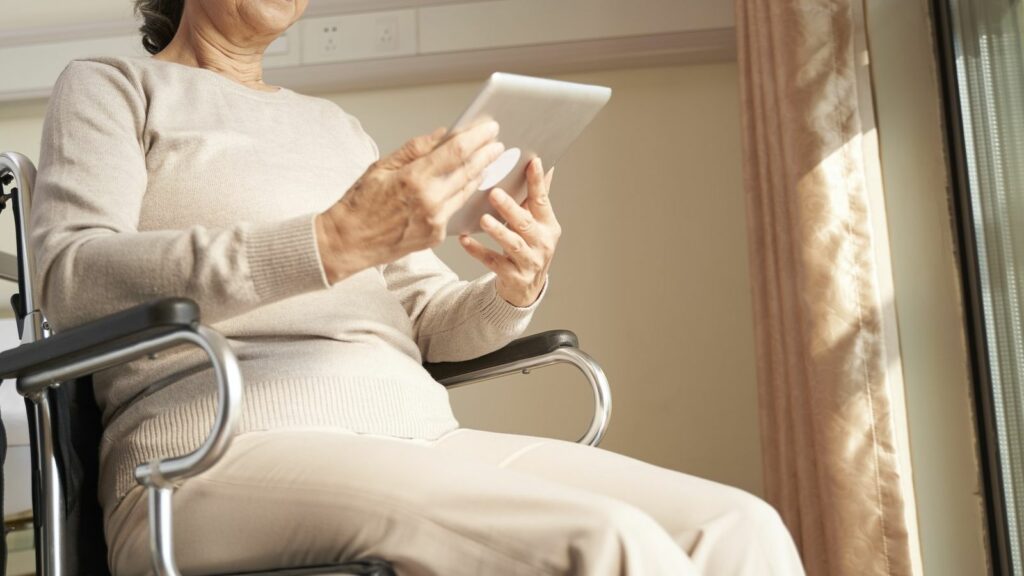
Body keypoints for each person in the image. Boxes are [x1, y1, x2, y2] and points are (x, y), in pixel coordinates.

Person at [29, 1, 806, 574]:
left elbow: (430, 318)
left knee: (740, 530)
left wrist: (513, 284)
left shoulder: (336, 128)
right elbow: (71, 276)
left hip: (420, 436)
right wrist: (325, 243)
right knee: (609, 546)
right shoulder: (112, 87)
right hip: (217, 451)